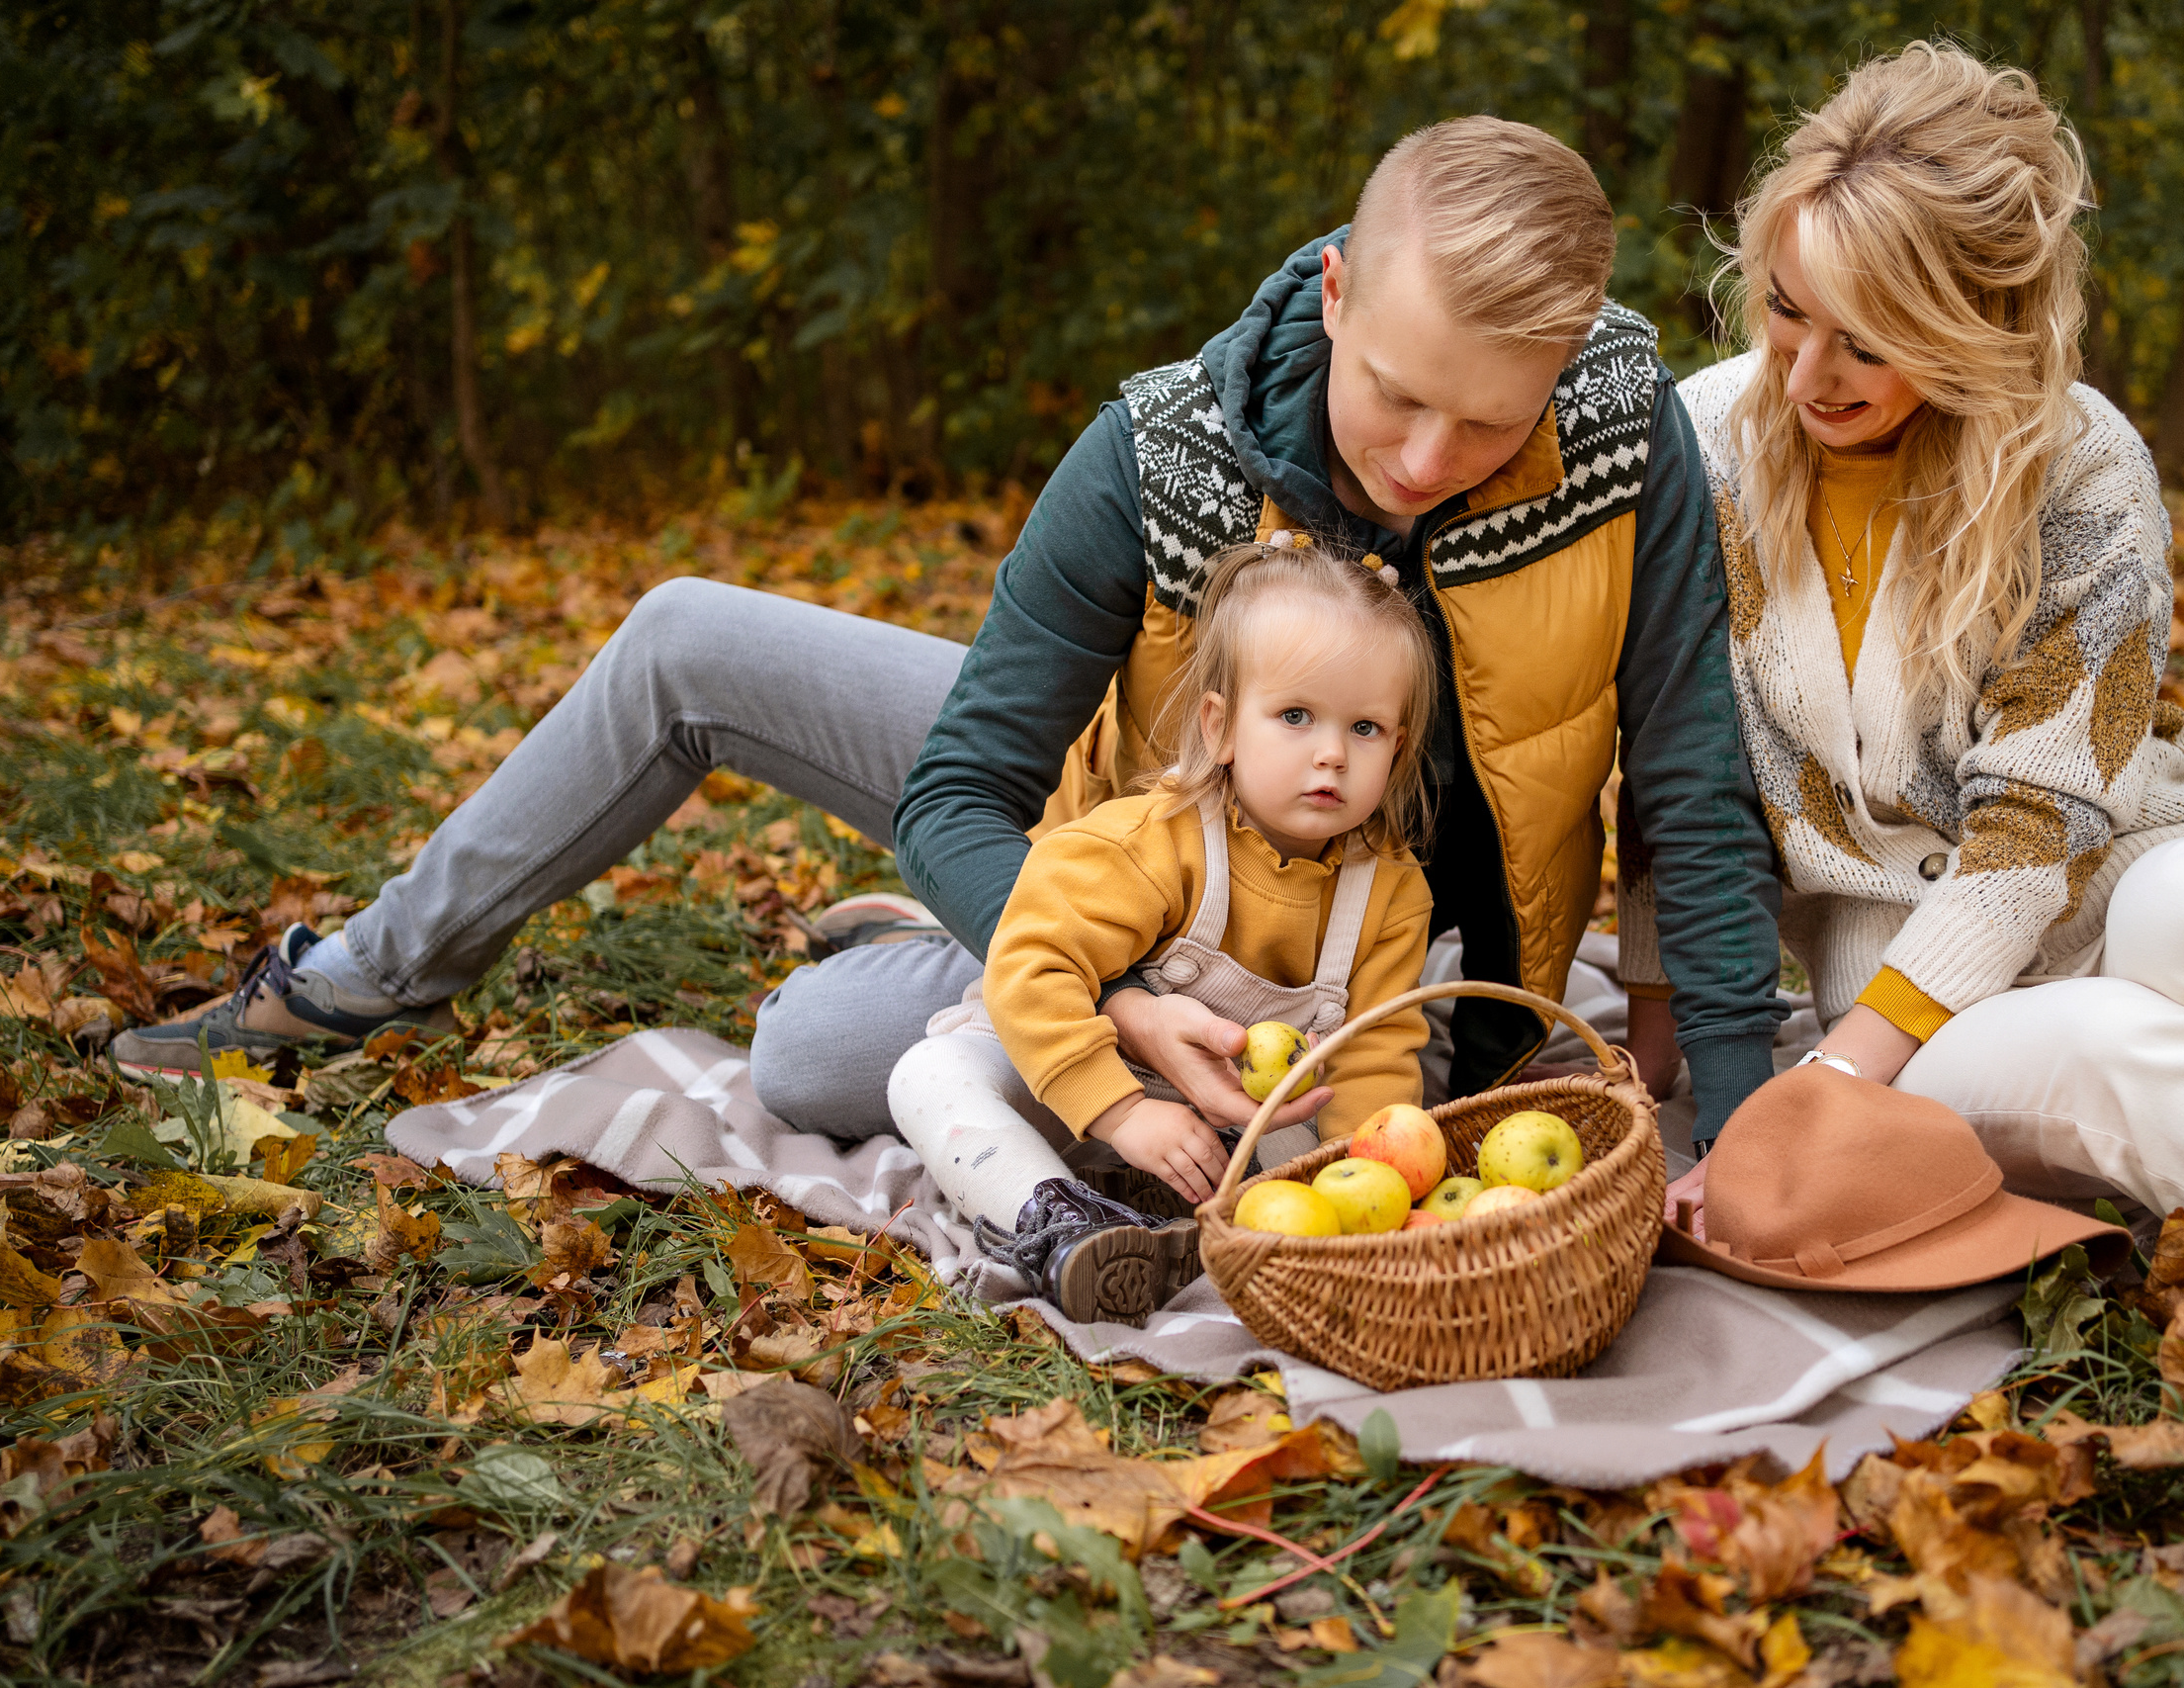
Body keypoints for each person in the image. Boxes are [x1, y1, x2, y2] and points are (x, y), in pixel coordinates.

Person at [117, 117, 1789, 1260]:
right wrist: (1115, 1001)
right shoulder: (1163, 449)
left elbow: (1694, 786)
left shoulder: (1626, 439)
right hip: (1150, 854)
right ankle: (345, 984)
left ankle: (922, 943)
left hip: (1369, 973)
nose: (1427, 464)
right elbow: (965, 785)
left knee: (815, 1066)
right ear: (1337, 291)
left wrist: (1731, 1125)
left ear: (1560, 374)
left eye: (1486, 427)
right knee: (692, 630)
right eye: (1393, 399)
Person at [1628, 43, 2184, 1383]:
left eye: (1869, 340)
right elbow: (1674, 761)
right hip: (1908, 997)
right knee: (2120, 1057)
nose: (1808, 372)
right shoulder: (1700, 446)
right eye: (1785, 307)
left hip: (2113, 868)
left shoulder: (2083, 463)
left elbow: (2037, 825)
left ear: (1975, 321)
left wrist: (1841, 1081)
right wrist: (1694, 1064)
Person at [888, 539, 1439, 1320]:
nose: (1330, 754)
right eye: (1294, 715)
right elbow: (1030, 961)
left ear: (1399, 748)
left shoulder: (1389, 892)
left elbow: (1375, 1058)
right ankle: (1059, 1224)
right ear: (1220, 727)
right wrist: (1122, 1112)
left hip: (1231, 1117)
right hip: (1081, 1071)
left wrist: (1365, 1202)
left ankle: (1204, 1235)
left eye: (1365, 728)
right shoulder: (1156, 840)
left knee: (1312, 1143)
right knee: (929, 1073)